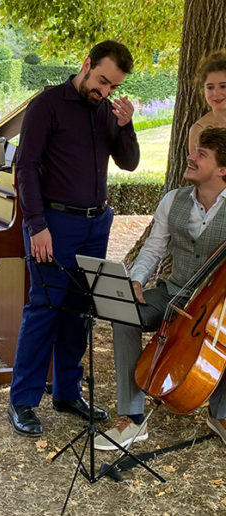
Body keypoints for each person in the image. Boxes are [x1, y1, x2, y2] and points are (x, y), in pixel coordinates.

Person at [8, 40, 140, 437]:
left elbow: (129, 162)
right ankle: (23, 401)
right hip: (54, 224)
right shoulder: (47, 104)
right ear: (86, 64)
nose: (105, 91)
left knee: (79, 312)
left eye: (113, 86)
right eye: (102, 81)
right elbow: (25, 167)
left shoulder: (106, 111)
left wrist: (126, 125)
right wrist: (36, 225)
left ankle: (67, 392)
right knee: (45, 308)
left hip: (95, 225)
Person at [94, 126, 226, 450]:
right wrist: (137, 280)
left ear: (222, 170)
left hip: (216, 304)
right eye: (193, 151)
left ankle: (221, 413)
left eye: (201, 154)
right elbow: (153, 249)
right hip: (172, 292)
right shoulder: (173, 200)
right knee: (123, 313)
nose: (190, 157)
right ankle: (132, 418)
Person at [189, 50, 226, 153]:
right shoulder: (198, 130)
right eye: (210, 87)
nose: (216, 93)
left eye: (223, 86)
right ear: (203, 90)